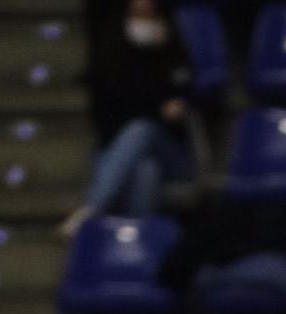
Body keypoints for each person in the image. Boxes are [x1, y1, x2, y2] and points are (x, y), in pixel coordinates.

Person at [64, 0, 193, 235]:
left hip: (171, 152)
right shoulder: (112, 52)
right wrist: (156, 108)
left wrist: (161, 55)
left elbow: (186, 92)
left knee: (143, 128)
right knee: (146, 170)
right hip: (121, 148)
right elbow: (114, 110)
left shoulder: (173, 45)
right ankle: (136, 250)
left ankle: (91, 211)